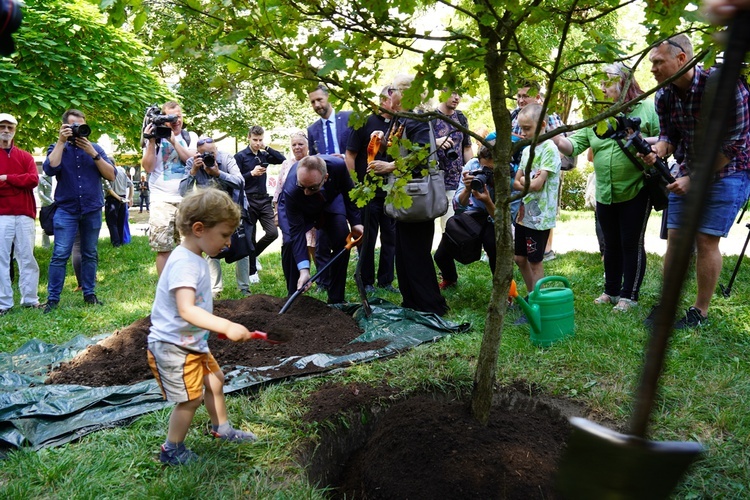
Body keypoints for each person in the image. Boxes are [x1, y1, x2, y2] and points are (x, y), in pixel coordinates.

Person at [644, 34, 750, 328]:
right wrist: (658, 150)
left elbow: (734, 145)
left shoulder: (726, 87)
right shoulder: (664, 94)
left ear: (681, 59)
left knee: (705, 239)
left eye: (658, 62)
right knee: (676, 240)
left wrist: (693, 179)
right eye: (651, 62)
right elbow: (669, 137)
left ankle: (699, 312)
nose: (652, 68)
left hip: (730, 171)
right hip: (688, 169)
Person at [146, 188, 258, 466]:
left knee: (215, 381)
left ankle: (222, 429)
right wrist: (226, 325)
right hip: (173, 347)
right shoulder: (184, 262)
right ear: (199, 229)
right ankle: (171, 449)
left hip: (190, 342)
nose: (229, 243)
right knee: (190, 399)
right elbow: (186, 308)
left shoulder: (194, 258)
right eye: (224, 235)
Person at [552, 63, 659, 312]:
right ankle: (610, 291)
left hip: (636, 188)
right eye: (599, 83)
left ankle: (629, 295)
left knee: (631, 243)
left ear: (624, 83)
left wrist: (639, 139)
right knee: (610, 243)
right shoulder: (597, 115)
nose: (601, 88)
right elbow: (573, 146)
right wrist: (555, 137)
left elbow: (666, 140)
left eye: (606, 82)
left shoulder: (647, 108)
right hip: (605, 191)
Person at [367, 74, 449, 316]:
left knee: (416, 253)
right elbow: (401, 149)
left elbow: (423, 154)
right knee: (403, 254)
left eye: (393, 90)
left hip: (418, 196)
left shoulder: (418, 121)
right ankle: (412, 301)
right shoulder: (400, 120)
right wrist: (382, 145)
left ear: (404, 94)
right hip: (404, 195)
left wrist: (390, 166)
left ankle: (430, 305)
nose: (389, 95)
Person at [42, 109, 116, 312]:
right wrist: (60, 141)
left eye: (81, 125)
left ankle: (89, 294)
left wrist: (93, 153)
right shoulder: (58, 147)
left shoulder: (96, 148)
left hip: (91, 208)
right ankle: (53, 299)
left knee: (90, 253)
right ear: (64, 126)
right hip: (66, 209)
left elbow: (111, 176)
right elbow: (49, 169)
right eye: (73, 125)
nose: (77, 130)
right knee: (60, 254)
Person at [277, 155, 363, 305]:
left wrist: (356, 222)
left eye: (312, 188)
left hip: (329, 202)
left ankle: (336, 299)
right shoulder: (293, 189)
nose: (306, 192)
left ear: (325, 177)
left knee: (342, 240)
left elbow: (349, 194)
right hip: (297, 206)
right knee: (291, 241)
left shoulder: (338, 166)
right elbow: (297, 233)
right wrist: (305, 270)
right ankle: (294, 296)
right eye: (302, 186)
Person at [345, 85, 398, 294]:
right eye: (392, 99)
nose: (396, 103)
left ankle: (386, 280)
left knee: (391, 236)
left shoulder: (399, 122)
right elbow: (350, 155)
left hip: (392, 190)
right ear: (383, 101)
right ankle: (366, 280)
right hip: (367, 190)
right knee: (368, 236)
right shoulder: (365, 122)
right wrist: (354, 183)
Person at [181, 137, 250, 297]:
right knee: (210, 246)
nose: (208, 157)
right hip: (211, 210)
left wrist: (219, 173)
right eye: (204, 154)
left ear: (216, 150)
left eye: (211, 153)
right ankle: (215, 289)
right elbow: (183, 192)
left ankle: (244, 288)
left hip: (234, 206)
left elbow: (240, 182)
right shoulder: (193, 163)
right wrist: (193, 172)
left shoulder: (226, 158)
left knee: (241, 248)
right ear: (198, 153)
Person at [141, 101, 198, 276]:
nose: (175, 121)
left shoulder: (190, 136)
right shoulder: (153, 138)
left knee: (189, 247)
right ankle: (165, 290)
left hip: (185, 200)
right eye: (171, 117)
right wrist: (151, 142)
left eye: (178, 116)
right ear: (163, 119)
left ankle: (187, 285)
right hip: (161, 200)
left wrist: (173, 141)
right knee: (163, 248)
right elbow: (148, 167)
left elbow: (192, 159)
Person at [512, 104, 561, 300]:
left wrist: (526, 181)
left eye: (526, 129)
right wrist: (527, 181)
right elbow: (516, 182)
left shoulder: (549, 149)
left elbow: (537, 185)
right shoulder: (527, 151)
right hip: (524, 215)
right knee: (519, 258)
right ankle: (532, 294)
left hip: (540, 218)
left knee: (535, 261)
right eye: (520, 128)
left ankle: (538, 302)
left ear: (541, 125)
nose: (522, 134)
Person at [434, 142, 497, 289]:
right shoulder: (472, 165)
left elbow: (503, 218)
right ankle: (449, 279)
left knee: (494, 248)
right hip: (470, 216)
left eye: (492, 170)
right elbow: (458, 205)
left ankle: (502, 289)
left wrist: (488, 201)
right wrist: (468, 189)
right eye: (485, 169)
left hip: (493, 219)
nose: (487, 173)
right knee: (440, 256)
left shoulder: (510, 175)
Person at [0, 113, 42, 314]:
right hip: (2, 214)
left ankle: (30, 299)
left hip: (25, 213)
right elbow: (26, 180)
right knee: (1, 259)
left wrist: (7, 178)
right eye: (2, 127)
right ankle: (3, 303)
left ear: (15, 130)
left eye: (10, 127)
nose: (6, 130)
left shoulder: (25, 156)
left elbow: (33, 180)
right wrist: (19, 181)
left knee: (27, 257)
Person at [234, 126, 284, 270]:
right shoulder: (240, 156)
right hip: (248, 200)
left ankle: (253, 256)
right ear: (248, 137)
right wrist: (251, 173)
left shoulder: (263, 154)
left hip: (263, 200)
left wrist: (266, 147)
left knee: (272, 233)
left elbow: (282, 159)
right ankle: (252, 269)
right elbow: (234, 180)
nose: (257, 143)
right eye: (255, 140)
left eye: (260, 140)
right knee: (250, 236)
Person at [273, 131, 317, 266]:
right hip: (290, 212)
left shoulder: (314, 161)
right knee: (295, 244)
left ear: (307, 146)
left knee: (312, 245)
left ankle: (322, 278)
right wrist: (276, 213)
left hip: (310, 211)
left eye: (300, 144)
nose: (297, 147)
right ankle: (303, 276)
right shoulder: (286, 164)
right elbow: (279, 190)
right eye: (294, 144)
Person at [434, 89, 474, 231]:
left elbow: (467, 148)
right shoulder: (430, 117)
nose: (457, 97)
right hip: (433, 182)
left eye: (459, 94)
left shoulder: (461, 118)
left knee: (451, 229)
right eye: (452, 93)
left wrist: (471, 171)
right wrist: (436, 142)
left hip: (456, 183)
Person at [307, 84, 354, 156]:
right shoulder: (312, 130)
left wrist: (344, 157)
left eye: (319, 100)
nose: (316, 105)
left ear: (329, 98)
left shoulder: (349, 118)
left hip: (349, 165)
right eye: (313, 102)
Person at [103, 165, 131, 247]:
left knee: (112, 223)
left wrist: (118, 198)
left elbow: (109, 189)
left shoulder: (107, 172)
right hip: (123, 198)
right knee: (120, 222)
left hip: (113, 199)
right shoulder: (122, 172)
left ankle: (116, 243)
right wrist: (130, 198)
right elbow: (131, 184)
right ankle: (121, 241)